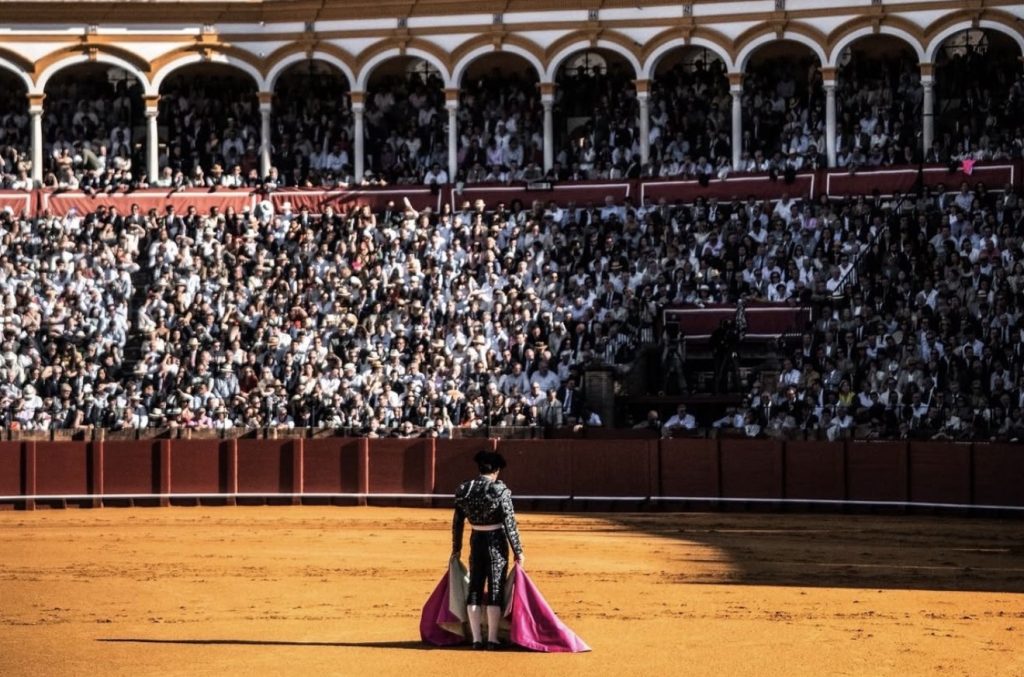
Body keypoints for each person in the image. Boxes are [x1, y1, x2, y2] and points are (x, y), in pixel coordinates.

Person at [451, 450, 525, 650]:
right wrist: (518, 550)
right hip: (495, 542)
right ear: (496, 470)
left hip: (476, 540)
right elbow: (510, 523)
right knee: (495, 588)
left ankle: (476, 639)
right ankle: (492, 639)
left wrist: (456, 548)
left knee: (475, 587)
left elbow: (457, 522)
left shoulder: (465, 489)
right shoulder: (500, 490)